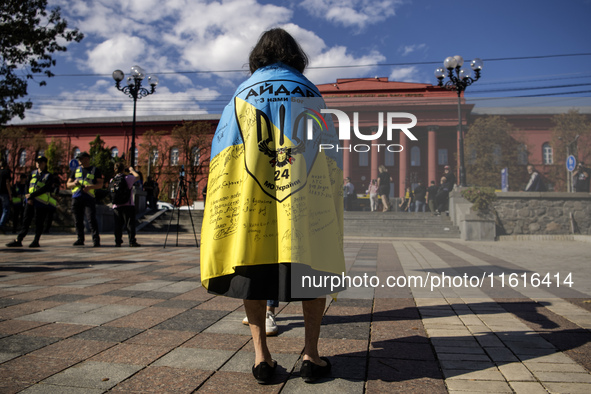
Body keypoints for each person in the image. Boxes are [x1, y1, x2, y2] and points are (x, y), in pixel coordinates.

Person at [200, 28, 345, 385]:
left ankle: (261, 358)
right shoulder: (312, 94)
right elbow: (329, 157)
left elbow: (224, 155)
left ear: (257, 56)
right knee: (314, 270)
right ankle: (311, 355)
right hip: (306, 204)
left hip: (253, 204)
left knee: (253, 272)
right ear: (296, 56)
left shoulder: (240, 95)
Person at [6, 156, 54, 248]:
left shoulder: (48, 175)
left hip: (41, 203)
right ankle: (19, 239)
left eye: (40, 162)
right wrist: (28, 196)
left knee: (39, 222)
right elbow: (27, 185)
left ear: (45, 163)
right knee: (25, 220)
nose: (38, 164)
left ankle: (36, 240)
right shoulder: (32, 173)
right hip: (30, 201)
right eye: (37, 162)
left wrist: (32, 195)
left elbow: (46, 188)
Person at [66, 151, 104, 247]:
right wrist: (74, 184)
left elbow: (100, 184)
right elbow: (68, 184)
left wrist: (90, 187)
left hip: (89, 197)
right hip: (77, 197)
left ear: (87, 159)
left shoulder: (94, 170)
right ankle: (80, 239)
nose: (79, 160)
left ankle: (96, 240)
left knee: (91, 219)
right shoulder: (76, 170)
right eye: (79, 159)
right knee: (77, 220)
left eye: (81, 158)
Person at [110, 163, 141, 247]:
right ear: (123, 169)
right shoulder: (128, 178)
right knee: (129, 224)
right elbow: (138, 177)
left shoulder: (112, 180)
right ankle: (132, 241)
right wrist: (132, 171)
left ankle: (118, 241)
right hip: (128, 204)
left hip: (116, 206)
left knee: (118, 225)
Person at [0, 159, 11, 234]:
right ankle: (1, 225)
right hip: (4, 193)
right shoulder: (6, 172)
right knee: (6, 209)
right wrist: (10, 194)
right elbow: (7, 183)